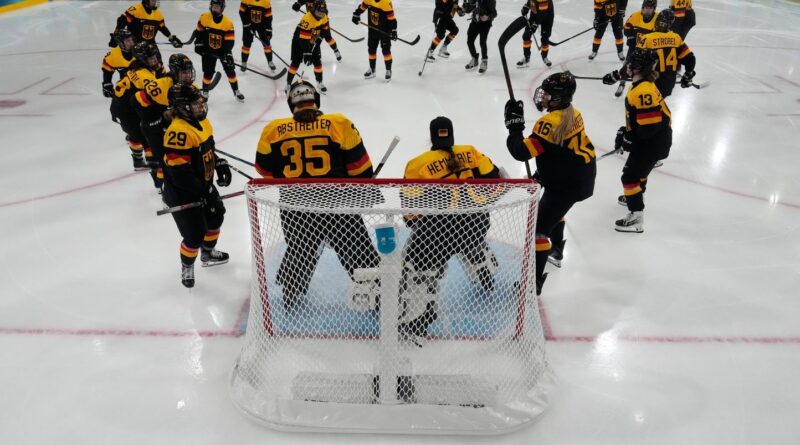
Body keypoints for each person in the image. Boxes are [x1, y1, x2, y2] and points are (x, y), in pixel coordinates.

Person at [255, 80, 380, 310]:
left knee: (300, 248)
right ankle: (377, 296)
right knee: (357, 249)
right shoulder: (339, 123)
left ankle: (290, 292)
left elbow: (263, 170)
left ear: (292, 104)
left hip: (296, 207)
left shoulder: (273, 130)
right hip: (337, 206)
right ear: (316, 100)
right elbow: (361, 168)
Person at [399, 116, 502, 339]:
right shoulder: (472, 152)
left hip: (437, 232)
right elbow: (495, 179)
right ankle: (483, 265)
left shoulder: (417, 163)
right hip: (476, 223)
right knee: (470, 237)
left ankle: (421, 317)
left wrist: (414, 223)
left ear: (432, 136)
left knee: (415, 263)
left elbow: (409, 210)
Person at [504, 71, 597, 294]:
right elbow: (557, 150)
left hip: (568, 182)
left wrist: (514, 127)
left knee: (538, 230)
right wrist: (545, 173)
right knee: (555, 209)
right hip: (577, 174)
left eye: (548, 94)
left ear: (559, 98)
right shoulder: (573, 112)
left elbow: (521, 152)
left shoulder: (549, 122)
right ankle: (556, 249)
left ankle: (532, 283)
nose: (543, 97)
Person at [162, 84, 232, 288]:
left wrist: (218, 162)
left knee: (217, 216)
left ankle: (208, 253)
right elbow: (180, 175)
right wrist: (205, 192)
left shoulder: (202, 123)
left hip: (203, 186)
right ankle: (187, 266)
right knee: (194, 235)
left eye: (201, 103)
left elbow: (207, 149)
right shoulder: (178, 133)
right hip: (183, 193)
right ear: (182, 107)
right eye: (196, 104)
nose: (201, 108)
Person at [613, 49, 672, 233]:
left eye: (630, 63)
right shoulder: (642, 84)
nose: (627, 66)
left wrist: (630, 139)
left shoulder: (643, 90)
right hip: (656, 139)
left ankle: (636, 217)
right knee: (640, 173)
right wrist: (627, 132)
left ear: (637, 68)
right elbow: (642, 121)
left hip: (652, 142)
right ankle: (637, 195)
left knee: (629, 177)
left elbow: (649, 126)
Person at [131, 53, 197, 191]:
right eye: (184, 72)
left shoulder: (191, 87)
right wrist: (156, 120)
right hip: (154, 127)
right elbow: (135, 101)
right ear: (175, 72)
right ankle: (163, 189)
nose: (188, 75)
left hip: (172, 126)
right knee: (165, 161)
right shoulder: (160, 86)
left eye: (189, 71)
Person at [603, 9, 696, 98]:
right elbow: (690, 59)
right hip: (668, 85)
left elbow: (634, 62)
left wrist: (617, 76)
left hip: (649, 84)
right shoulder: (677, 38)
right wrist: (688, 75)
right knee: (657, 107)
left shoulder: (648, 38)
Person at [110, 41, 164, 175]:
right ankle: (157, 176)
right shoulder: (144, 76)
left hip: (123, 105)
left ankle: (138, 161)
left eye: (155, 57)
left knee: (137, 134)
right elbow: (156, 97)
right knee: (147, 137)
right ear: (142, 60)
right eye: (150, 58)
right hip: (125, 110)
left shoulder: (136, 65)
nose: (154, 60)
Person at [194, 0, 245, 102]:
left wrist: (227, 54)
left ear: (222, 8)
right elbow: (199, 32)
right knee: (208, 73)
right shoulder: (204, 17)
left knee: (230, 70)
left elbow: (229, 42)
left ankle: (236, 91)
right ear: (210, 6)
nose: (215, 8)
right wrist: (198, 44)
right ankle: (205, 93)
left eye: (217, 7)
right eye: (214, 6)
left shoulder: (227, 23)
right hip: (208, 50)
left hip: (222, 50)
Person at [286, 0, 329, 93]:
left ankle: (320, 82)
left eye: (323, 11)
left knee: (317, 62)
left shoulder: (324, 16)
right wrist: (307, 53)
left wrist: (318, 41)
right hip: (299, 40)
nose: (321, 14)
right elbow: (303, 40)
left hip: (314, 38)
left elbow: (325, 30)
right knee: (296, 62)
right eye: (319, 11)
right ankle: (288, 83)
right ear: (314, 9)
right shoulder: (307, 18)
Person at [352, 0, 397, 81]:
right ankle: (372, 69)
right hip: (372, 29)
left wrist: (393, 30)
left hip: (384, 31)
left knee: (386, 51)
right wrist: (356, 14)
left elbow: (391, 17)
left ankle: (388, 70)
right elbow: (363, 6)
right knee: (371, 50)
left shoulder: (386, 2)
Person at [110, 0, 182, 48]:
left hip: (151, 45)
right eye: (153, 0)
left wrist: (171, 38)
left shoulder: (158, 14)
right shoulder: (136, 9)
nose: (155, 2)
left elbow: (162, 28)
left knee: (158, 68)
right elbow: (122, 21)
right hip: (135, 45)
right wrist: (115, 37)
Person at [239, 0, 277, 72]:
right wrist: (247, 25)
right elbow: (241, 12)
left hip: (262, 26)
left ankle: (270, 61)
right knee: (246, 44)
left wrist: (269, 29)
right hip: (248, 25)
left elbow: (268, 16)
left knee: (266, 43)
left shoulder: (266, 2)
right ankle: (244, 62)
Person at [516, 0, 554, 68]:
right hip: (535, 12)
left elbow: (543, 14)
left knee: (545, 37)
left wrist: (536, 24)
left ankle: (544, 57)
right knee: (526, 35)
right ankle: (526, 57)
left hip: (547, 16)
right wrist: (527, 6)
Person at [463, 0, 497, 74]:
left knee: (482, 42)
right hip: (475, 22)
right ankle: (474, 59)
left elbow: (494, 13)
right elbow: (469, 9)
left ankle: (484, 61)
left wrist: (488, 17)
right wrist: (464, 9)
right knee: (469, 41)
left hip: (485, 24)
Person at [102, 29, 135, 99]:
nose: (131, 43)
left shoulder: (141, 52)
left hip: (143, 87)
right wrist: (107, 83)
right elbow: (107, 69)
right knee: (115, 109)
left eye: (131, 39)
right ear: (120, 43)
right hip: (126, 88)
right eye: (127, 41)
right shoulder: (114, 55)